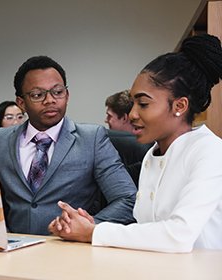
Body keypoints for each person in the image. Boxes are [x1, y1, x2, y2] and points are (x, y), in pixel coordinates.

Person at [48, 34, 222, 253]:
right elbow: (148, 231)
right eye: (133, 104)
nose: (132, 114)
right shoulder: (152, 155)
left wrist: (93, 233)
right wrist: (91, 226)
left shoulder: (210, 151)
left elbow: (179, 235)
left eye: (143, 104)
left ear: (180, 105)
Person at [0, 55, 137, 235]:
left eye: (57, 92)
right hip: (12, 250)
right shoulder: (0, 140)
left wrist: (89, 226)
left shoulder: (92, 139)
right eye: (37, 95)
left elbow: (128, 199)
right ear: (21, 103)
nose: (50, 100)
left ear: (67, 95)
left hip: (69, 250)